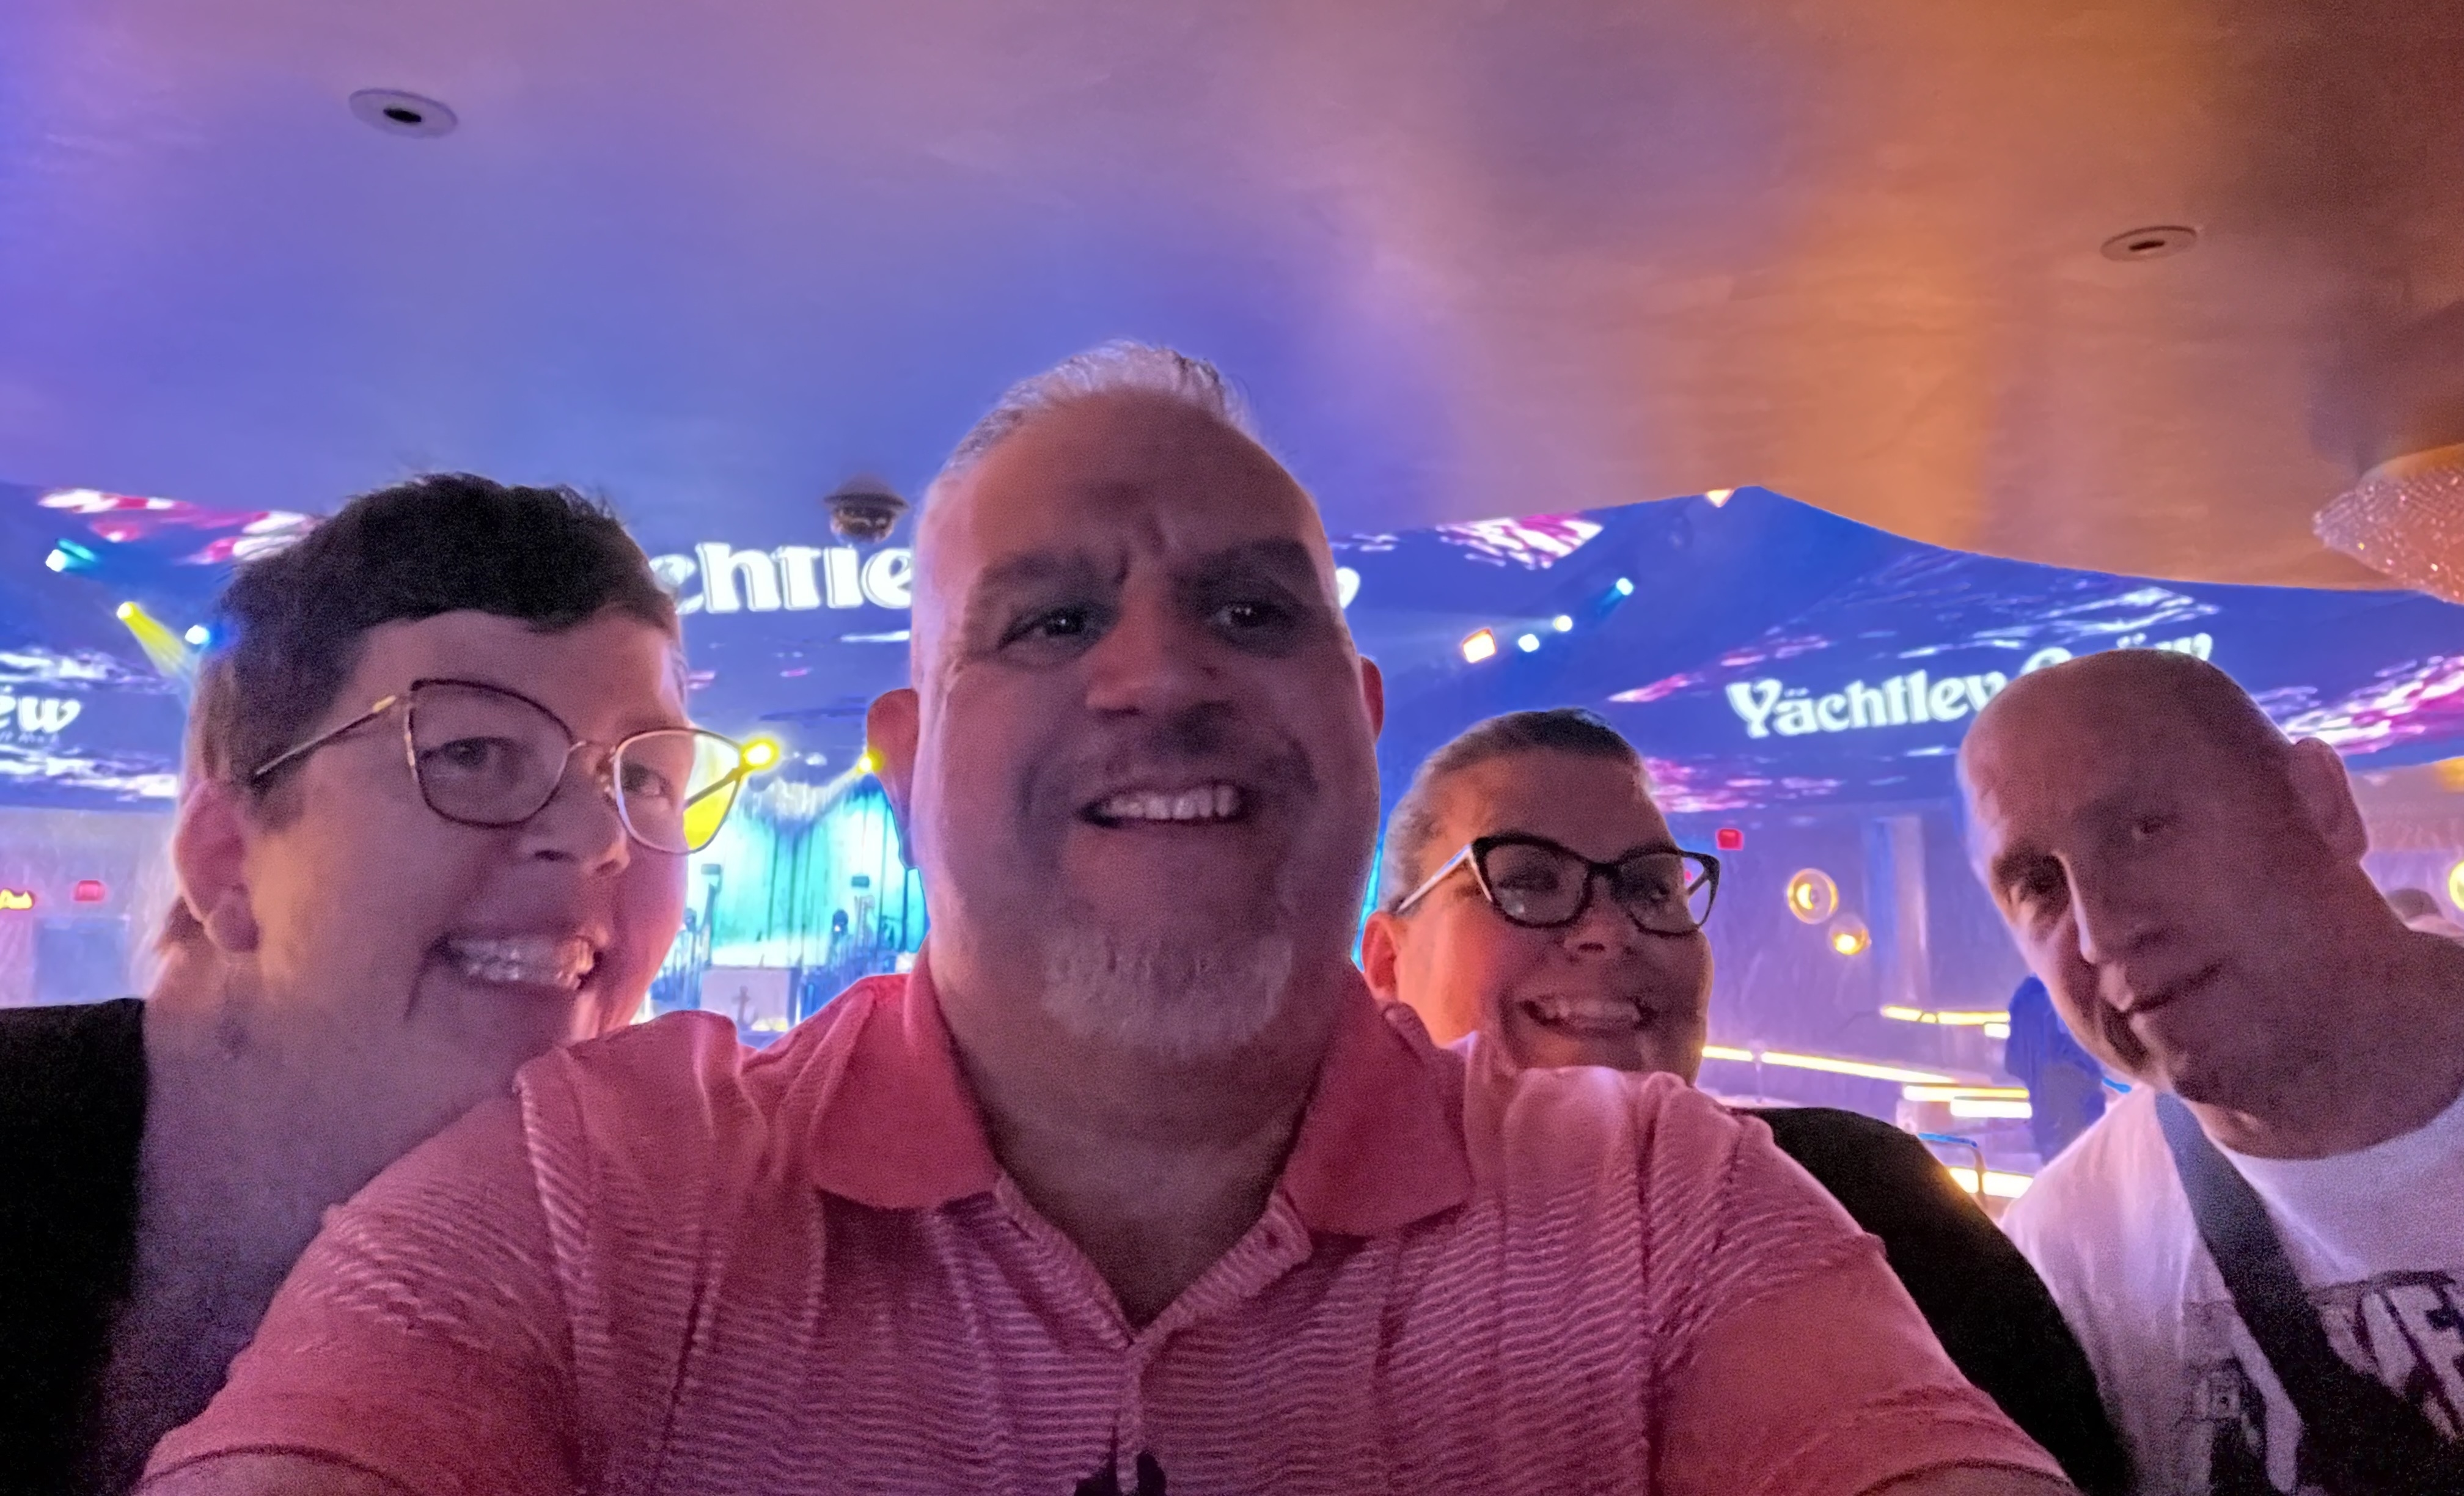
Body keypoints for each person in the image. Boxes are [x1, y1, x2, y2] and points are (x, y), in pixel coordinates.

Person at [142, 345, 2069, 1496]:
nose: (1160, 676)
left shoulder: (1666, 1212)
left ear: (1360, 722)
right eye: (1052, 620)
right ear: (910, 762)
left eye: (1250, 610)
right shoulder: (591, 1196)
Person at [0, 474, 748, 1495]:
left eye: (643, 777)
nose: (597, 835)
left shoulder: (675, 1287)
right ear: (228, 857)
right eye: (471, 751)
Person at [1360, 707, 2126, 1496]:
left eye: (1650, 888)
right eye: (1526, 881)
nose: (1610, 930)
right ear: (1385, 964)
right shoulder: (1297, 1257)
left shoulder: (1866, 1197)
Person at [1962, 649, 2464, 1496]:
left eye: (2146, 830)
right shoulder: (2062, 1258)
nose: (2102, 933)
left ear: (2322, 803)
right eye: (2041, 885)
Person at [2003, 974, 2108, 1161]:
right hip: (2073, 1098)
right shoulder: (2067, 992)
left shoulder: (2024, 996)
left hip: (2048, 1108)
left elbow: (2013, 1062)